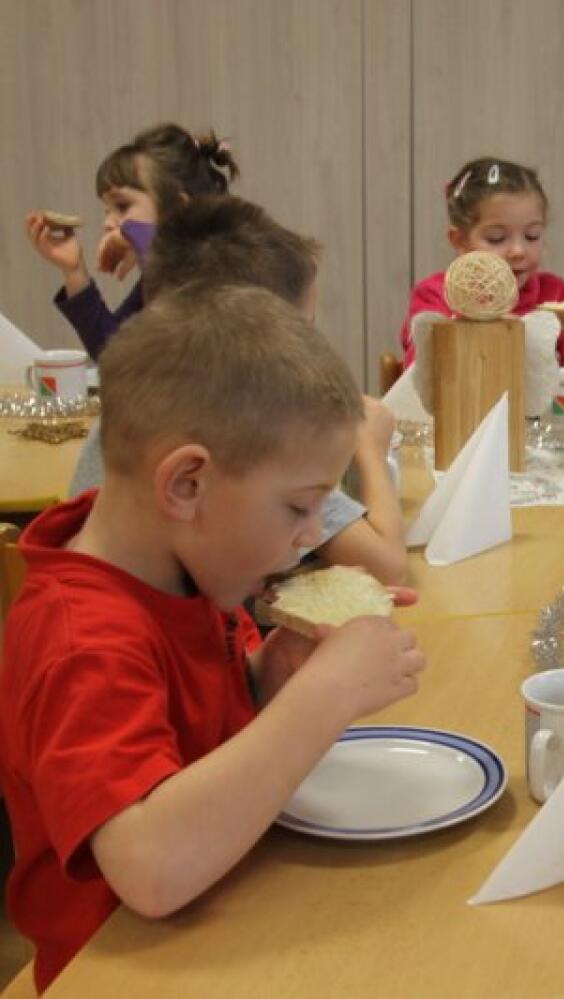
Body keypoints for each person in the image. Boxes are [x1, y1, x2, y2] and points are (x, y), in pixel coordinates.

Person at [0, 285, 426, 992]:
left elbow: (187, 739)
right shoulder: (83, 640)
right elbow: (151, 866)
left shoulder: (185, 569)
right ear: (186, 485)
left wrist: (268, 678)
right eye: (299, 506)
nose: (311, 536)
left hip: (227, 923)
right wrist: (322, 696)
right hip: (124, 970)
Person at [64, 195, 407, 584]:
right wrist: (370, 449)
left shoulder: (144, 409)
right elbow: (388, 568)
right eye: (303, 329)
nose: (311, 348)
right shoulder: (249, 435)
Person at [398, 156, 564, 395]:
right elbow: (423, 383)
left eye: (532, 236)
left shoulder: (558, 295)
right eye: (496, 238)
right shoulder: (435, 297)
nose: (518, 251)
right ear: (460, 241)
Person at [22, 123, 238, 359]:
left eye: (122, 206)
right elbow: (113, 353)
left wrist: (134, 235)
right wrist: (74, 271)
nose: (108, 223)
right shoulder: (154, 275)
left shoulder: (220, 268)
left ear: (178, 209)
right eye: (107, 210)